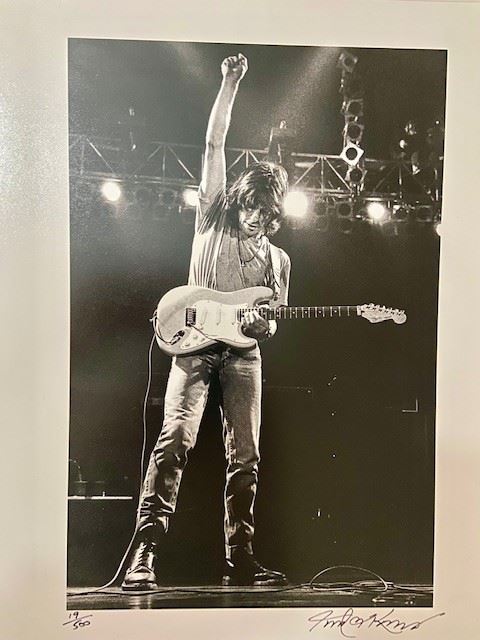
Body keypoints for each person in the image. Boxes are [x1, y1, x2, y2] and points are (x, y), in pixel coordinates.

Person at [121, 53, 291, 591]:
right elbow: (215, 143)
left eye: (264, 213)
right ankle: (144, 553)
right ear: (239, 202)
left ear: (274, 214)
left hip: (243, 355)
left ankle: (240, 557)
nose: (255, 219)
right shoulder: (214, 214)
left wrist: (264, 328)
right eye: (250, 208)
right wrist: (230, 82)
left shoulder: (279, 261)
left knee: (247, 456)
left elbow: (273, 322)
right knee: (176, 438)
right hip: (193, 343)